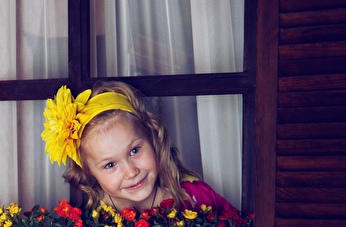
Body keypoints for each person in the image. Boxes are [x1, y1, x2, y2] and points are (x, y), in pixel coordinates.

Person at [41, 80, 235, 214]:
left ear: (152, 137)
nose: (131, 172)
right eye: (110, 165)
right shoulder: (96, 223)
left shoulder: (195, 198)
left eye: (134, 151)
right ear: (89, 172)